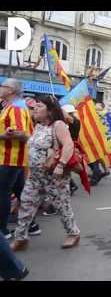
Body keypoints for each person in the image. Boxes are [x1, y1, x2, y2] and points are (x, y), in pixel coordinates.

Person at [10, 95, 81, 252]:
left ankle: (73, 233)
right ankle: (21, 238)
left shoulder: (58, 125)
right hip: (35, 177)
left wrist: (61, 165)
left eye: (39, 106)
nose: (35, 108)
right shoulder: (39, 125)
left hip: (54, 177)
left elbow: (68, 145)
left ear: (50, 111)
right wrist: (19, 134)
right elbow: (35, 143)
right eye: (35, 106)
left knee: (62, 207)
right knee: (26, 205)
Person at [0, 79, 32, 240]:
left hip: (10, 158)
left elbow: (20, 133)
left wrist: (3, 136)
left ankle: (3, 230)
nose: (0, 88)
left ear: (10, 90)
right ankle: (32, 225)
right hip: (13, 158)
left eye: (3, 86)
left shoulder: (16, 108)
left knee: (3, 192)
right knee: (20, 192)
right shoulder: (10, 107)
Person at [62, 104, 81, 196]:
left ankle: (71, 185)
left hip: (71, 144)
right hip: (68, 144)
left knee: (66, 165)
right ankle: (71, 184)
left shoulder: (75, 121)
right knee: (66, 166)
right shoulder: (66, 122)